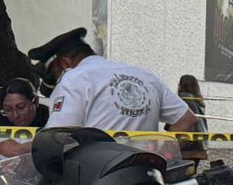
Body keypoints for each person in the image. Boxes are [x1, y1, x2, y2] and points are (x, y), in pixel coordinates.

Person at [28, 29, 197, 137]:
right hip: (146, 174)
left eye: (55, 74)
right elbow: (186, 119)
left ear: (66, 63)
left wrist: (18, 149)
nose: (57, 80)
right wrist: (165, 153)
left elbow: (56, 137)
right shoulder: (144, 75)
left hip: (96, 177)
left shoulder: (74, 78)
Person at [0, 78, 50, 163]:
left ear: (36, 102)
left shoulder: (53, 124)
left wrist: (23, 149)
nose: (15, 115)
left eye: (21, 107)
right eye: (8, 109)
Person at [176, 74, 209, 165]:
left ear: (181, 85)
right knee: (192, 169)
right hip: (199, 143)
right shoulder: (198, 101)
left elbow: (177, 118)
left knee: (180, 170)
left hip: (186, 143)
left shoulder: (183, 99)